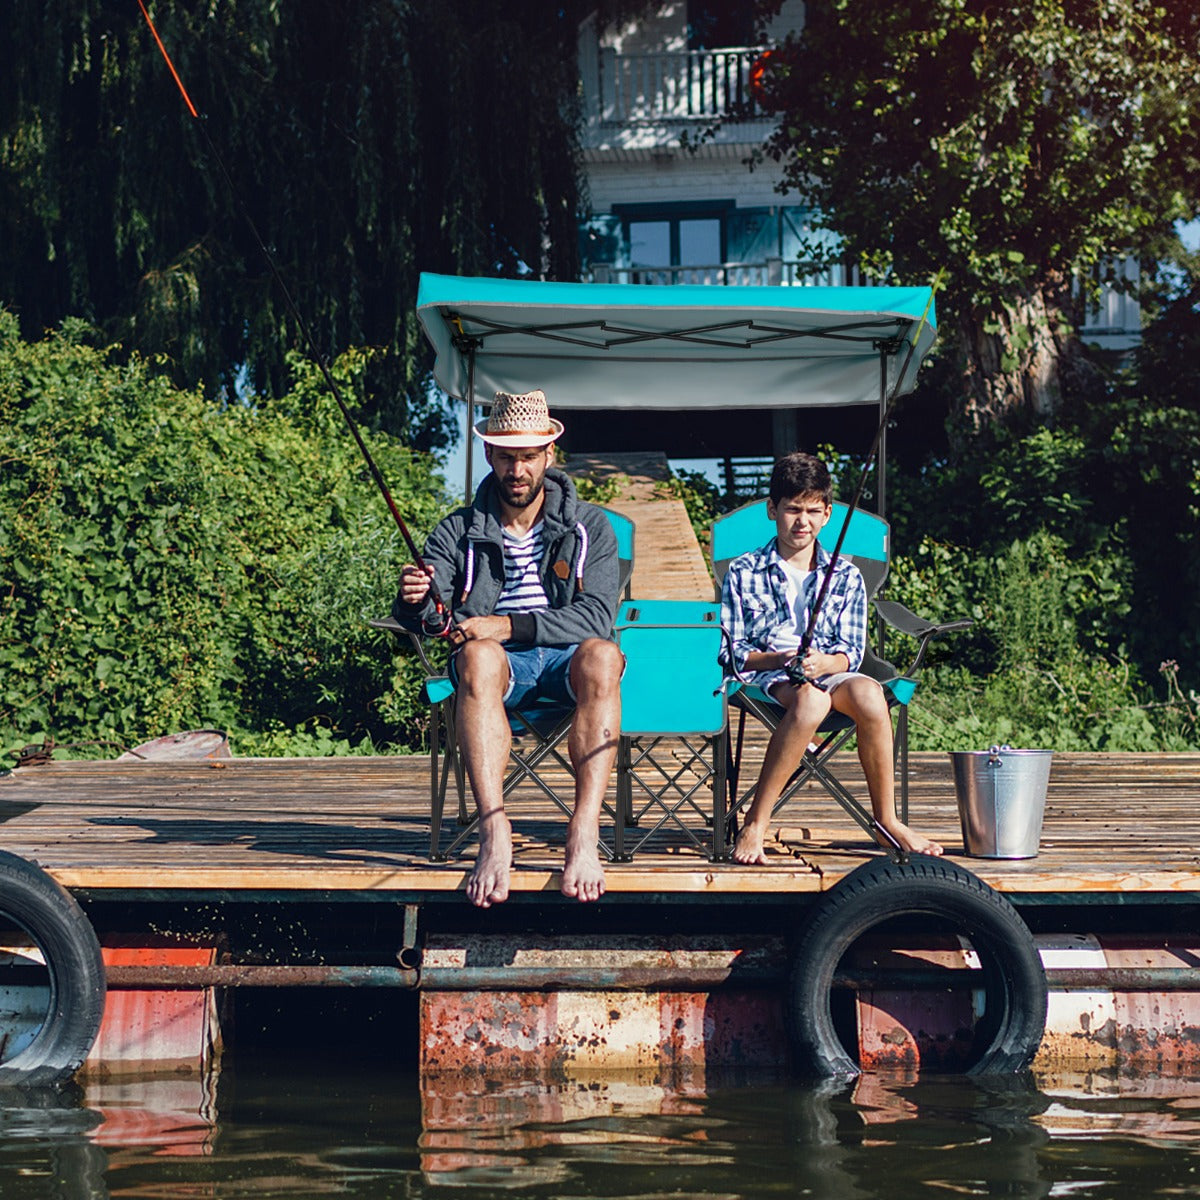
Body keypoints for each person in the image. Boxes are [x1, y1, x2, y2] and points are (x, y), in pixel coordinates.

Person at [392, 389, 624, 908]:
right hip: (496, 671)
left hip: (567, 663)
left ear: (548, 455)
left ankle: (583, 832)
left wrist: (503, 625)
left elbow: (596, 617)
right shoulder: (456, 529)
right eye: (505, 456)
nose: (517, 470)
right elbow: (438, 619)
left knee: (604, 655)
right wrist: (416, 601)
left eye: (527, 457)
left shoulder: (592, 527)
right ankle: (494, 834)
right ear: (491, 457)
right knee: (475, 655)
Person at [720, 451, 943, 863]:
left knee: (871, 694)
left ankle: (886, 820)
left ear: (826, 514)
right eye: (791, 510)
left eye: (811, 510)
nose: (801, 521)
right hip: (771, 679)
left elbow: (851, 654)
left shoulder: (846, 575)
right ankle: (756, 821)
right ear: (772, 510)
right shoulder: (743, 571)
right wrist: (779, 659)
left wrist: (825, 664)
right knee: (811, 700)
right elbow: (732, 653)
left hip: (829, 672)